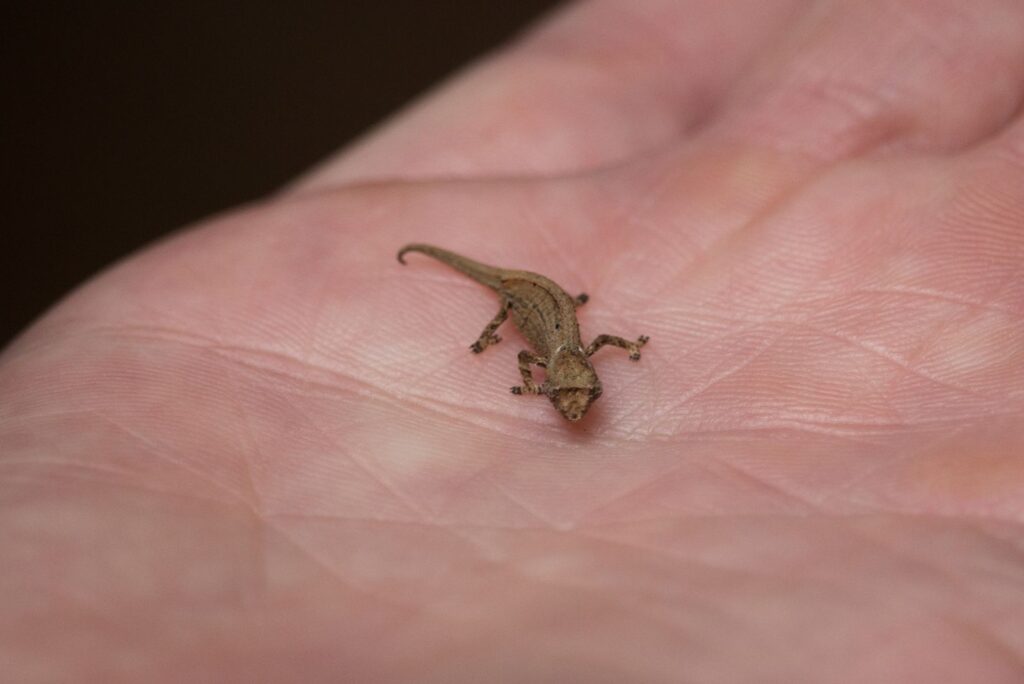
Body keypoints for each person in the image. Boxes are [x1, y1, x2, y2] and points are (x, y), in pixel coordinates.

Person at [3, 1, 1024, 680]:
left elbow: (607, 340)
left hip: (553, 300)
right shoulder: (541, 359)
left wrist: (599, 348)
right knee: (498, 293)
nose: (574, 404)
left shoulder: (575, 366)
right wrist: (512, 345)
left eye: (576, 397)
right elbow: (568, 338)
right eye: (569, 398)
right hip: (531, 295)